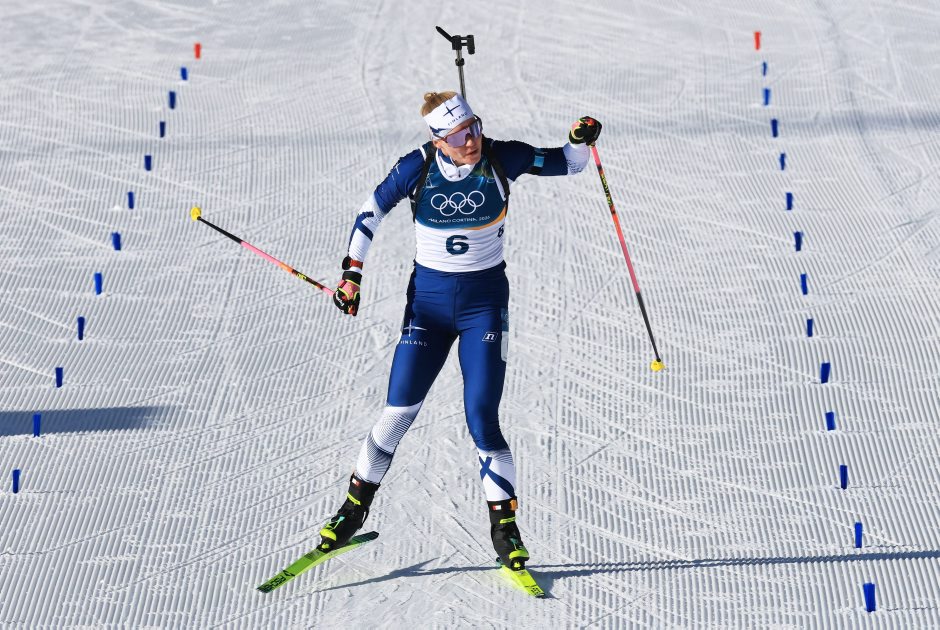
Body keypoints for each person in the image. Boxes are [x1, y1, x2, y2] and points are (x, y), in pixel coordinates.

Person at [319, 90, 601, 571]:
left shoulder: (502, 157)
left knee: (482, 419)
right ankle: (352, 510)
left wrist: (579, 140)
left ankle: (505, 530)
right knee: (397, 412)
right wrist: (352, 274)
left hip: (483, 310)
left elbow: (570, 164)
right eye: (458, 136)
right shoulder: (417, 167)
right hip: (427, 311)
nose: (471, 140)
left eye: (474, 128)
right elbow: (370, 211)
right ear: (438, 141)